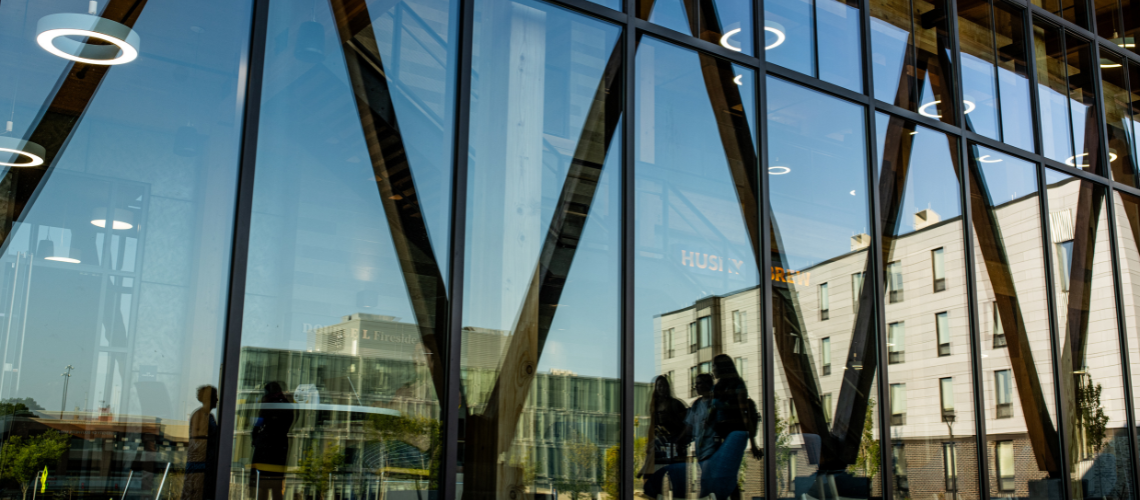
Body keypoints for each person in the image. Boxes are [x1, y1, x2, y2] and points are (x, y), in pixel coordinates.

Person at [707, 354, 761, 460]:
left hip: (734, 435)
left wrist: (753, 444)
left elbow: (745, 414)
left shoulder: (737, 386)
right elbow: (711, 415)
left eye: (714, 366)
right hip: (720, 436)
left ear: (721, 367)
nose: (712, 370)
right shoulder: (716, 388)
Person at [637, 376, 689, 480]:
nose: (662, 388)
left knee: (676, 477)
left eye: (664, 386)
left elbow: (687, 426)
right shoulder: (654, 405)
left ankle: (646, 469)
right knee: (655, 477)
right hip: (661, 445)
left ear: (668, 388)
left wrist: (671, 420)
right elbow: (652, 427)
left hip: (674, 444)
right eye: (659, 386)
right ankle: (647, 471)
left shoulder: (676, 404)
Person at [250, 382, 294, 500]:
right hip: (280, 446)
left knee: (262, 485)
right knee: (276, 485)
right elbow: (288, 424)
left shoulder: (268, 404)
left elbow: (259, 423)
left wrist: (255, 437)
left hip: (266, 446)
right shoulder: (287, 405)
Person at [183, 385, 219, 500]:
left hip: (206, 463)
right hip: (200, 463)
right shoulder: (200, 415)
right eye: (215, 397)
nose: (217, 400)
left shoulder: (210, 416)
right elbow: (199, 441)